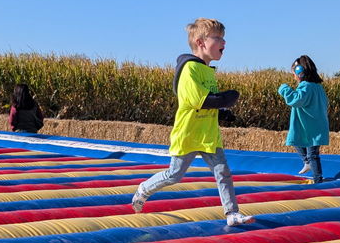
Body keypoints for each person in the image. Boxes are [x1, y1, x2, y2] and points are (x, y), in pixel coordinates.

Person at [131, 18, 253, 227]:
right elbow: (200, 100)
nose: (224, 43)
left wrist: (221, 112)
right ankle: (144, 188)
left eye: (224, 38)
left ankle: (232, 213)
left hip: (208, 135)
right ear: (201, 42)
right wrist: (228, 98)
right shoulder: (190, 69)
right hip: (188, 134)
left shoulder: (207, 70)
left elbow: (208, 101)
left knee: (222, 171)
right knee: (174, 175)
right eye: (218, 38)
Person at [277, 54, 329, 183]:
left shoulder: (307, 86)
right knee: (296, 141)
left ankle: (318, 180)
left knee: (312, 155)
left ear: (300, 72)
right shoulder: (318, 87)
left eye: (294, 72)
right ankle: (307, 163)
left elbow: (296, 100)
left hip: (311, 126)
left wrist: (284, 88)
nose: (293, 76)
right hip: (314, 125)